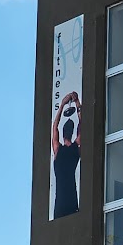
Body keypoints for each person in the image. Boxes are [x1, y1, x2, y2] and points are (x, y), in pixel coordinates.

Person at [51, 89, 81, 217]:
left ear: (63, 134)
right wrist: (77, 102)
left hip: (60, 203)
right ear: (72, 132)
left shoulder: (58, 149)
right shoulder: (76, 149)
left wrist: (62, 105)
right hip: (72, 200)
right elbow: (83, 125)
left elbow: (54, 127)